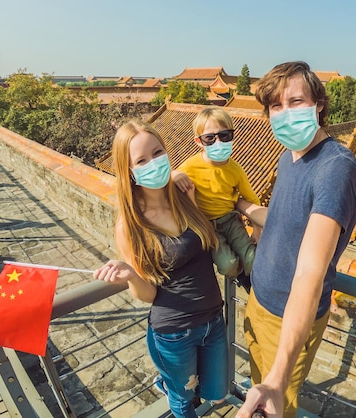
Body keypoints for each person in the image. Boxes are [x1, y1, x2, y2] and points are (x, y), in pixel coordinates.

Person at [236, 61, 356, 418]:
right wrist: (239, 204)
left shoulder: (334, 167)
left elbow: (310, 273)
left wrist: (278, 379)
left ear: (318, 104)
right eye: (276, 106)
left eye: (295, 101)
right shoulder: (288, 156)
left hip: (287, 319)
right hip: (258, 301)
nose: (285, 113)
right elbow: (283, 220)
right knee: (256, 385)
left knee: (275, 401)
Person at [93, 119, 228, 418]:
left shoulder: (182, 196)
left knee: (217, 394)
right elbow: (148, 294)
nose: (153, 163)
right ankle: (173, 387)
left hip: (213, 320)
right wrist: (130, 274)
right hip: (174, 332)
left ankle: (169, 383)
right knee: (184, 402)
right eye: (141, 160)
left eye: (157, 153)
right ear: (129, 171)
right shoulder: (131, 225)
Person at [174, 107, 262, 292]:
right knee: (227, 265)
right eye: (210, 138)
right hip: (207, 225)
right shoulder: (190, 166)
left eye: (224, 135)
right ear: (198, 141)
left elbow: (251, 198)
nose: (218, 142)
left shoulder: (235, 169)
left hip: (230, 220)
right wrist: (173, 175)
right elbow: (168, 179)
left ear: (232, 135)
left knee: (252, 258)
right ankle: (240, 276)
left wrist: (257, 229)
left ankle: (252, 282)